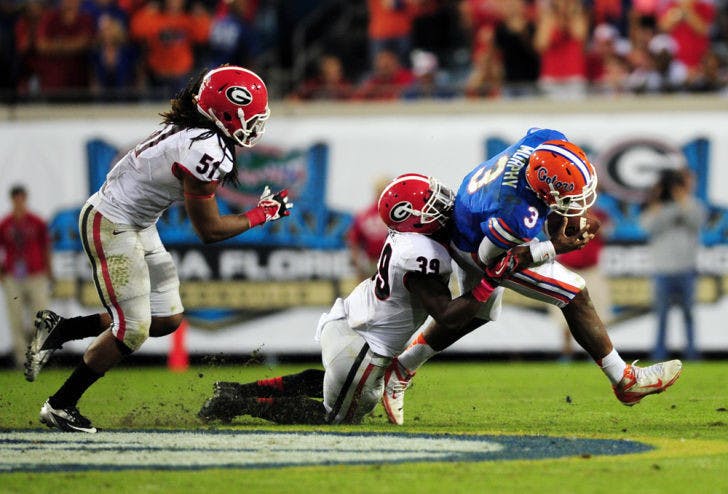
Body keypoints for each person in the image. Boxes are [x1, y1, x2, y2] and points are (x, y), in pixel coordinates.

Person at [24, 65, 292, 433]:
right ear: (228, 111)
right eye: (253, 116)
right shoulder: (205, 147)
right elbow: (209, 230)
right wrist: (263, 214)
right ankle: (60, 405)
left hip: (137, 222)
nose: (257, 124)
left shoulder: (198, 133)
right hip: (113, 222)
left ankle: (62, 330)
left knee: (166, 320)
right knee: (133, 328)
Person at [380, 127, 683, 425]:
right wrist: (554, 247)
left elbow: (549, 183)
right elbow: (493, 260)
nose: (581, 200)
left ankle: (402, 368)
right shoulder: (514, 213)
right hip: (480, 247)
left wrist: (567, 215)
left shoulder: (544, 141)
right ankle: (625, 380)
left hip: (471, 220)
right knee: (575, 292)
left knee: (479, 312)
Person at [197, 173, 504, 425]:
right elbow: (447, 315)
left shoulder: (407, 239)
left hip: (347, 323)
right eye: (433, 203)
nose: (444, 204)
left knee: (338, 384)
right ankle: (234, 405)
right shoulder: (421, 253)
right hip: (364, 344)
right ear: (411, 217)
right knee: (337, 415)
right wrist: (491, 279)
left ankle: (237, 391)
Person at [640, 168, 706, 361]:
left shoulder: (693, 205)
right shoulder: (657, 207)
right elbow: (648, 227)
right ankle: (659, 355)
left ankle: (692, 354)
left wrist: (682, 199)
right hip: (662, 270)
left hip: (687, 269)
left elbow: (697, 222)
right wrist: (658, 200)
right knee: (661, 317)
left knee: (689, 315)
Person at [0, 185, 52, 369]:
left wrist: (49, 270)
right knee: (15, 317)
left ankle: (38, 355)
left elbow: (46, 246)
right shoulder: (5, 223)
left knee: (39, 317)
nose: (19, 202)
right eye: (16, 198)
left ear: (25, 199)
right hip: (13, 276)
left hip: (35, 274)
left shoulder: (36, 221)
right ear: (13, 200)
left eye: (22, 198)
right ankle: (21, 359)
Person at [346, 176, 391, 281]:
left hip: (394, 261)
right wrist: (358, 266)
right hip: (373, 263)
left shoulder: (396, 214)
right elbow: (354, 241)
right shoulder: (364, 216)